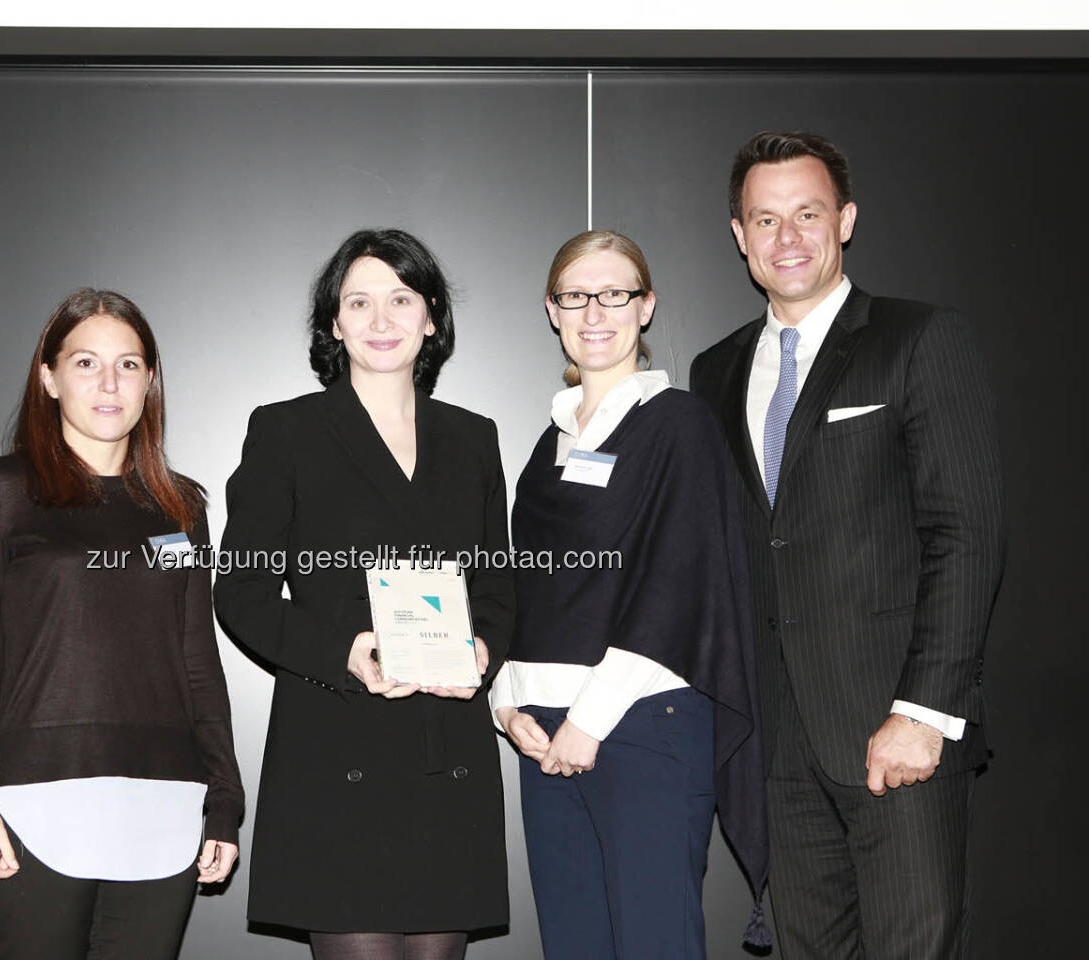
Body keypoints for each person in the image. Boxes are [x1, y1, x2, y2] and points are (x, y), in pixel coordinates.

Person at [689, 131, 1005, 958]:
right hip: (775, 744)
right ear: (739, 235)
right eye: (765, 219)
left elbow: (966, 535)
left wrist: (922, 711)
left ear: (847, 219)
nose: (786, 238)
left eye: (807, 213)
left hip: (894, 730)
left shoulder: (918, 339)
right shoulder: (713, 371)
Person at [213, 228, 514, 960]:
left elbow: (499, 586)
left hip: (447, 750)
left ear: (432, 316)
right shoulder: (286, 430)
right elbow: (243, 592)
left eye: (401, 299)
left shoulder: (473, 438)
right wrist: (341, 650)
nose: (382, 321)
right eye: (360, 302)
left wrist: (482, 646)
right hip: (335, 743)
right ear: (335, 323)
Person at [0, 289, 244, 960]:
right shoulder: (1, 492)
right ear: (47, 376)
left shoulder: (180, 507)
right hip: (35, 807)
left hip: (164, 808)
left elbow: (197, 663)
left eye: (129, 365)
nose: (110, 383)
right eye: (85, 363)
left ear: (150, 381)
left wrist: (225, 799)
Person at [490, 230, 768, 959]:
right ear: (552, 310)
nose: (594, 312)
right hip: (545, 730)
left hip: (642, 723)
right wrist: (508, 702)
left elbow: (678, 582)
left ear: (646, 307)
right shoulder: (547, 443)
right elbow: (529, 585)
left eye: (614, 294)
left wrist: (591, 716)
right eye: (576, 296)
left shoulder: (679, 423)